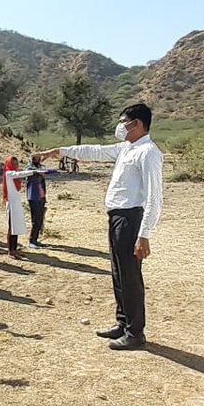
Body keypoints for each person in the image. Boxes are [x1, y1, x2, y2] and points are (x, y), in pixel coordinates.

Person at [35, 104, 163, 350]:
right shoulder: (126, 148)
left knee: (130, 275)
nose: (120, 126)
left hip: (131, 219)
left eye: (124, 121)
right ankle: (123, 323)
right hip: (117, 218)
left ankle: (136, 333)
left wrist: (144, 235)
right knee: (118, 273)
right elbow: (94, 151)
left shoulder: (148, 152)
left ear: (138, 124)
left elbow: (154, 198)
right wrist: (59, 151)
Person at [1, 156, 45, 260]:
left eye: (16, 163)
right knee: (11, 228)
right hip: (11, 203)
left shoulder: (14, 176)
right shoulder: (8, 173)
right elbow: (19, 174)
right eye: (13, 163)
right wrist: (32, 172)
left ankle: (14, 249)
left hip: (16, 203)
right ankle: (10, 250)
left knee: (15, 227)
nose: (15, 165)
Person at [25, 157, 56, 248]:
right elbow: (40, 172)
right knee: (36, 220)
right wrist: (52, 170)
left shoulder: (39, 168)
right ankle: (32, 241)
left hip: (40, 197)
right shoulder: (30, 169)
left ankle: (35, 240)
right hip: (34, 197)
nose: (38, 160)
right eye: (36, 158)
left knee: (39, 220)